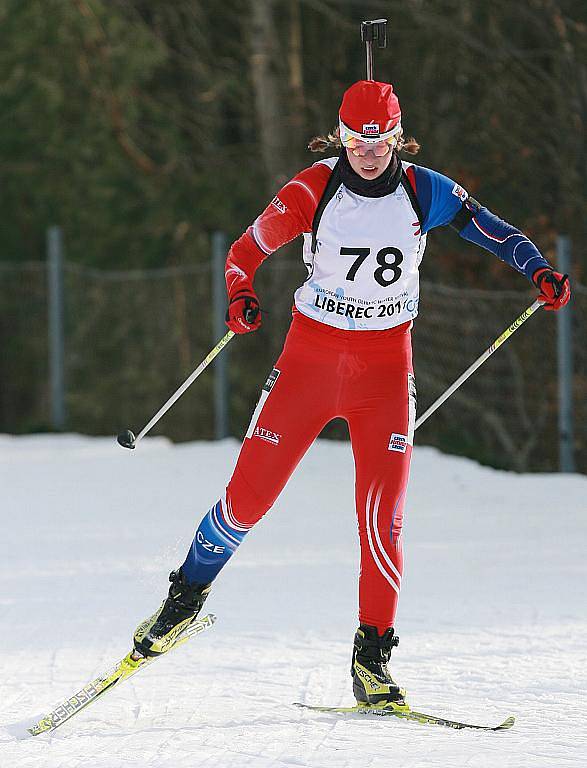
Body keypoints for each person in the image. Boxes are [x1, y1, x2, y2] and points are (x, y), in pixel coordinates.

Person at [132, 80, 571, 709]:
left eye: (381, 139)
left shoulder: (426, 191)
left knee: (382, 518)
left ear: (398, 137)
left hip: (385, 372)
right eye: (358, 140)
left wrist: (538, 269)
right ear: (339, 135)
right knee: (248, 499)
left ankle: (373, 658)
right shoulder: (313, 189)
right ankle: (182, 600)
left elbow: (494, 231)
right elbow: (243, 251)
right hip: (310, 361)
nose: (368, 152)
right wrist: (240, 294)